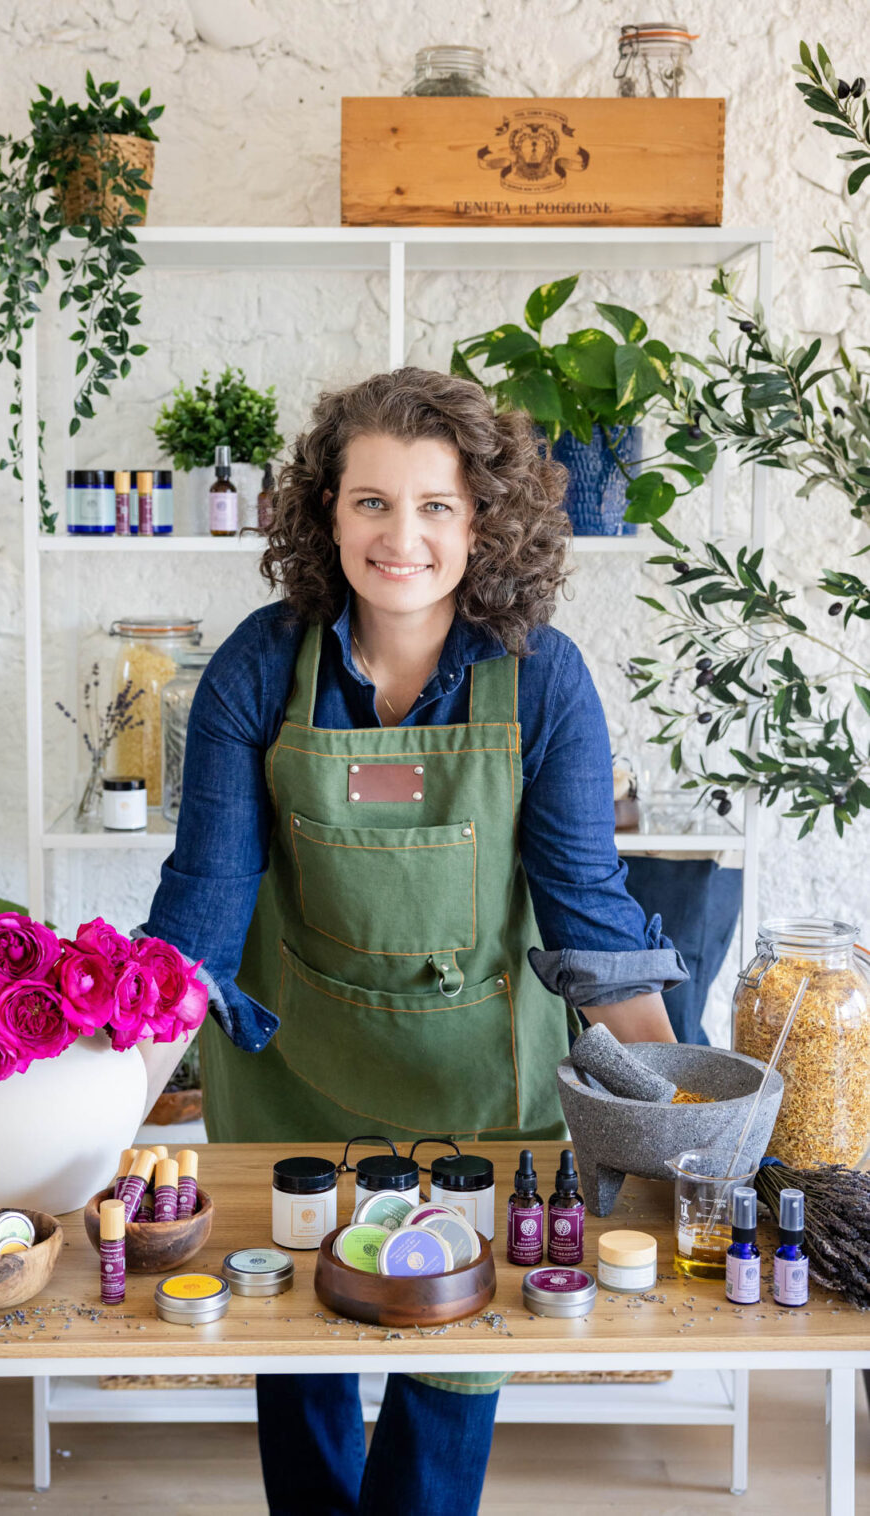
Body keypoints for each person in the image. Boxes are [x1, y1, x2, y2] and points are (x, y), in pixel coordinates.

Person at [141, 367, 687, 1516]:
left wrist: (680, 1112)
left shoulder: (542, 681)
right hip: (291, 1090)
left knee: (447, 1386)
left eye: (436, 504)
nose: (403, 536)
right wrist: (93, 1119)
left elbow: (590, 911)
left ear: (482, 520)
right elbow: (197, 918)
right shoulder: (256, 667)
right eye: (372, 503)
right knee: (299, 1364)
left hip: (478, 1095)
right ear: (324, 514)